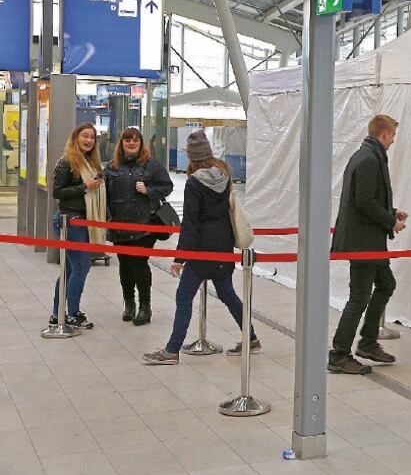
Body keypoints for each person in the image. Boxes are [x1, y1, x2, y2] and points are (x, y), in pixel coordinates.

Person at [142, 130, 259, 364]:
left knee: (184, 297)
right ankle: (252, 339)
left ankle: (172, 351)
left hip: (202, 248)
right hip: (223, 244)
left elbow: (191, 223)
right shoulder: (224, 175)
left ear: (191, 157)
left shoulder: (194, 183)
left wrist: (180, 257)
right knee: (228, 294)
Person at [328, 114, 408, 375]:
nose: (393, 141)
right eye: (392, 136)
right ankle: (339, 354)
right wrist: (390, 222)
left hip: (369, 239)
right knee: (359, 297)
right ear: (384, 134)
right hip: (363, 242)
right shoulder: (369, 159)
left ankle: (368, 342)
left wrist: (391, 212)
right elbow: (364, 201)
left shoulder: (368, 156)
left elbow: (367, 199)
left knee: (386, 284)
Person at [104, 127, 173, 325]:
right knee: (125, 265)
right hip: (119, 225)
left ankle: (145, 307)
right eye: (128, 140)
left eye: (135, 140)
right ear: (122, 143)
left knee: (139, 264)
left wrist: (149, 191)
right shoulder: (112, 166)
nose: (132, 143)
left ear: (141, 143)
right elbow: (105, 196)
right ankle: (129, 304)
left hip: (144, 226)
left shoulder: (151, 164)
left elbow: (167, 186)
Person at [49, 123, 107, 329]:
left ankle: (59, 313)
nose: (89, 140)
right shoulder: (67, 162)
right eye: (85, 136)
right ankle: (71, 314)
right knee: (81, 267)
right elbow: (58, 192)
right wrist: (85, 187)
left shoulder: (90, 163)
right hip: (70, 220)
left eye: (92, 137)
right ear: (76, 137)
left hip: (83, 220)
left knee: (71, 269)